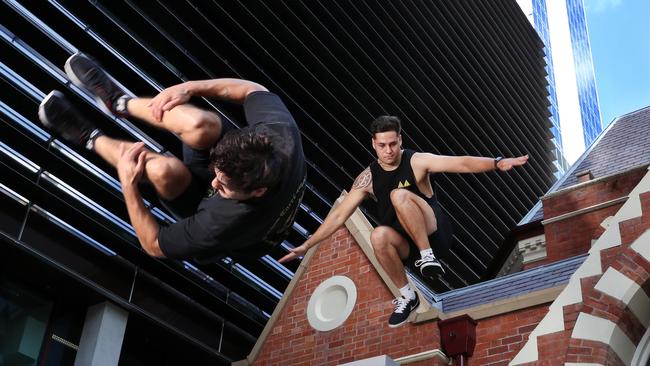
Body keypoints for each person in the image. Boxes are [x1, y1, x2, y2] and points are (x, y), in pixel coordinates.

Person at [38, 52, 306, 263]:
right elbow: (252, 90)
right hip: (246, 185)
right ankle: (119, 102)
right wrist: (189, 88)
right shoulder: (280, 135)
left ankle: (89, 137)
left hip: (225, 220)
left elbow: (154, 245)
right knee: (202, 125)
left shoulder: (222, 225)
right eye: (218, 176)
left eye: (222, 186)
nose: (214, 183)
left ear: (257, 191)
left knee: (163, 171)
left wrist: (129, 185)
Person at [279, 115, 528, 327]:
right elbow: (339, 215)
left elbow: (459, 162)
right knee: (377, 235)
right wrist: (307, 244)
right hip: (406, 246)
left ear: (400, 140)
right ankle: (407, 296)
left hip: (434, 232)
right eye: (382, 145)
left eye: (393, 144)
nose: (388, 151)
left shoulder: (416, 161)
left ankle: (427, 255)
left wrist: (497, 162)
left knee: (398, 194)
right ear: (374, 145)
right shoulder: (367, 178)